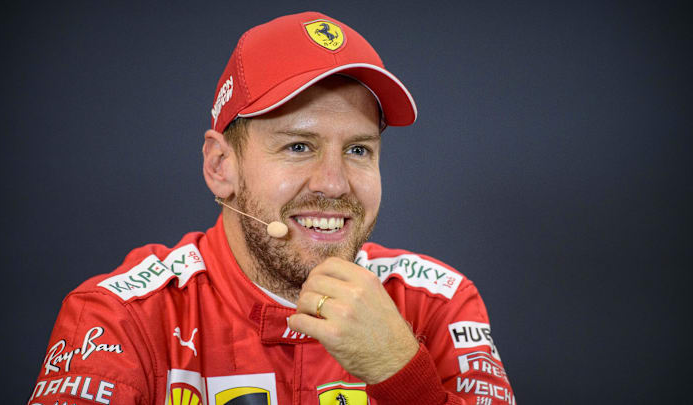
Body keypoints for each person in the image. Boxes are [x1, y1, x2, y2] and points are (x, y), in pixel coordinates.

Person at [29, 11, 515, 405]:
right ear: (221, 166)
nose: (334, 182)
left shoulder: (437, 303)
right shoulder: (120, 317)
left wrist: (401, 375)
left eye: (359, 150)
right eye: (299, 146)